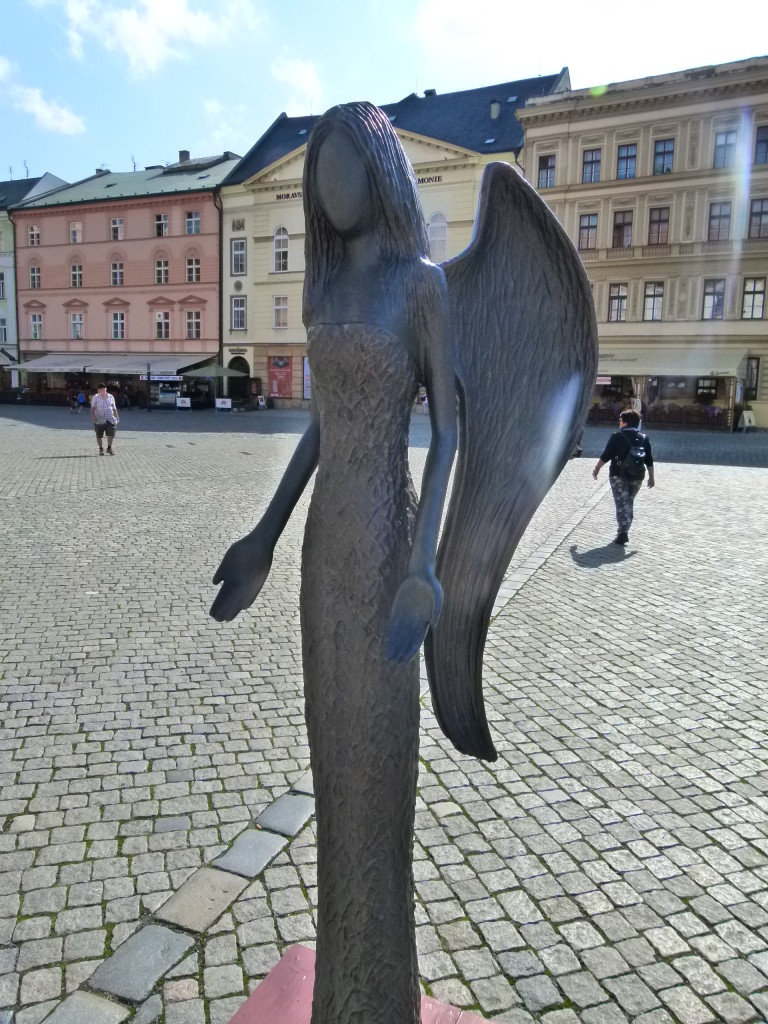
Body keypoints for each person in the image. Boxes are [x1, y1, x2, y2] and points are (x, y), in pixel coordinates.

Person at [592, 408, 654, 544]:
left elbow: (606, 454)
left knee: (621, 502)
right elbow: (649, 459)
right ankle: (625, 528)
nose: (619, 422)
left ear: (625, 422)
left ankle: (623, 532)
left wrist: (597, 468)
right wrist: (651, 477)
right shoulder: (644, 438)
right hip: (638, 475)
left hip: (618, 475)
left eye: (620, 419)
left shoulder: (617, 436)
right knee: (629, 501)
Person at [90, 383, 118, 455]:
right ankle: (101, 449)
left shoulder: (111, 397)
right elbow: (92, 408)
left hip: (110, 419)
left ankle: (109, 448)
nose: (103, 391)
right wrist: (93, 417)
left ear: (106, 389)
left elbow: (114, 408)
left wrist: (117, 418)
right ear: (98, 390)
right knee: (99, 435)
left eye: (104, 389)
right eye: (101, 390)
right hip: (99, 420)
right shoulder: (95, 397)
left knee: (111, 434)